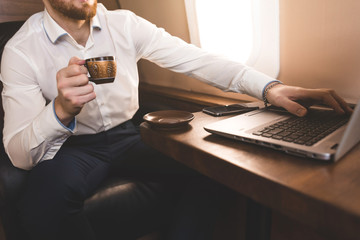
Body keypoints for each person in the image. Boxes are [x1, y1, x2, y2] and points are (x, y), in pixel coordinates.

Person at [0, 0, 353, 239]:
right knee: (40, 206)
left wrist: (269, 87)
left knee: (218, 168)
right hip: (73, 147)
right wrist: (59, 110)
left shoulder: (124, 24)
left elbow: (195, 59)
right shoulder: (21, 50)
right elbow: (19, 153)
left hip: (131, 134)